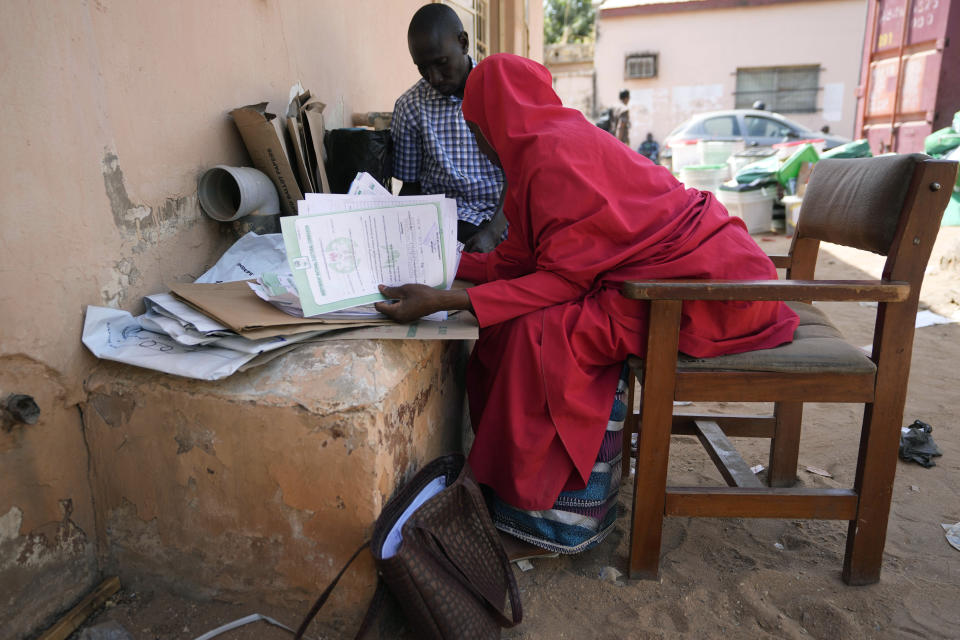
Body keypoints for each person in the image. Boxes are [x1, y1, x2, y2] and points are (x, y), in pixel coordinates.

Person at [375, 54, 798, 555]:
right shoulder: (535, 152)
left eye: (475, 125)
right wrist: (443, 266)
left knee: (544, 334)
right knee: (505, 328)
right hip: (659, 274)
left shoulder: (553, 156)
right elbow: (520, 260)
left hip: (707, 286)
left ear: (494, 117)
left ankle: (559, 519)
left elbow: (559, 281)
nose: (477, 139)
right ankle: (510, 497)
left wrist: (447, 297)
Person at [391, 3, 506, 253]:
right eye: (422, 68)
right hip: (448, 224)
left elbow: (521, 174)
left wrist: (494, 233)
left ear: (463, 43)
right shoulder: (410, 106)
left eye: (441, 63)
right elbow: (410, 186)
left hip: (504, 216)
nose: (434, 78)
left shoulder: (500, 91)